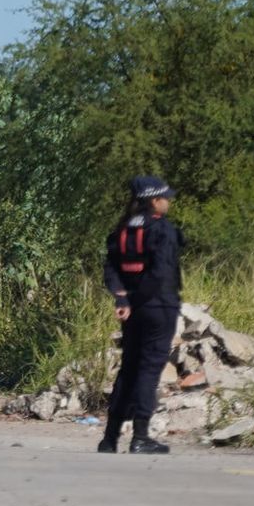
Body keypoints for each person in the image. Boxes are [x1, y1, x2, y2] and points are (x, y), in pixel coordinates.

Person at [98, 176, 184, 455]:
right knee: (148, 370)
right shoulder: (161, 230)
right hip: (158, 307)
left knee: (129, 369)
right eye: (164, 197)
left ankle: (109, 439)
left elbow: (111, 270)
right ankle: (141, 437)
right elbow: (161, 273)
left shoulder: (121, 230)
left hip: (131, 310)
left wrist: (124, 298)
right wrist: (143, 300)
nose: (168, 201)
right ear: (153, 201)